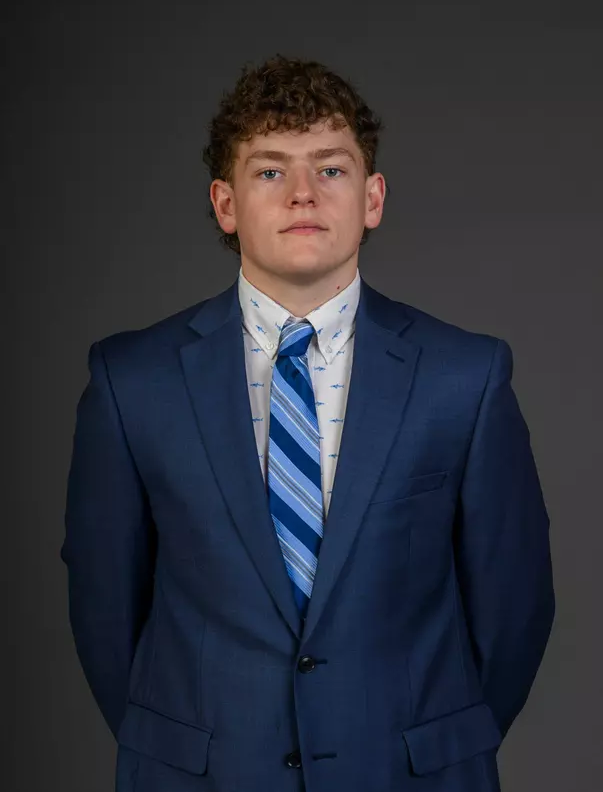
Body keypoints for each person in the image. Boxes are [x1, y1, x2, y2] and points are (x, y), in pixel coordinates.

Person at [61, 54, 555, 792]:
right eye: (269, 171)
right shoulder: (132, 380)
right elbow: (106, 607)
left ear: (372, 196)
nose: (302, 194)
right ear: (225, 204)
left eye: (330, 169)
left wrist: (433, 742)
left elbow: (512, 605)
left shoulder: (465, 377)